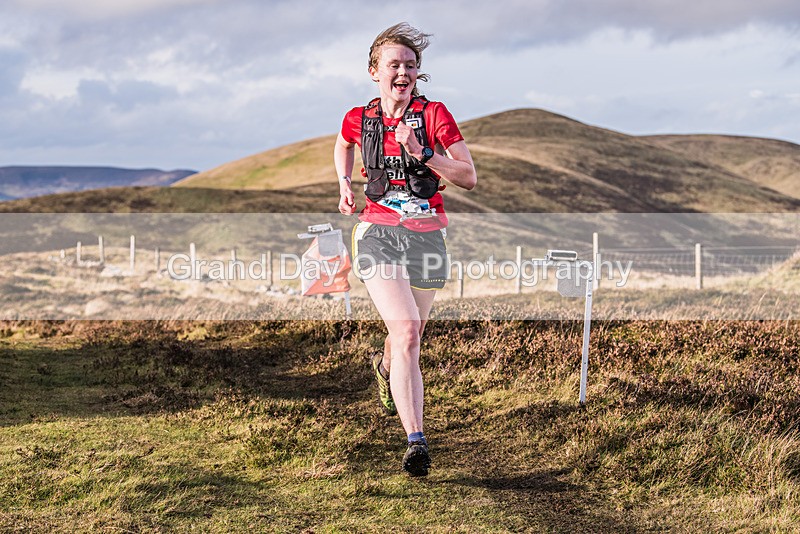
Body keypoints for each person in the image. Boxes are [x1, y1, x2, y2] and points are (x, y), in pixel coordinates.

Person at [333, 22, 477, 477]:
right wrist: (344, 183)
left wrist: (423, 153)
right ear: (374, 71)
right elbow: (342, 143)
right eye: (394, 64)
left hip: (427, 235)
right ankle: (416, 441)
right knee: (409, 332)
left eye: (411, 65)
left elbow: (469, 176)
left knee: (406, 340)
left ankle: (385, 366)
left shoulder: (434, 115)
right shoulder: (359, 118)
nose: (403, 72)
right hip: (376, 232)